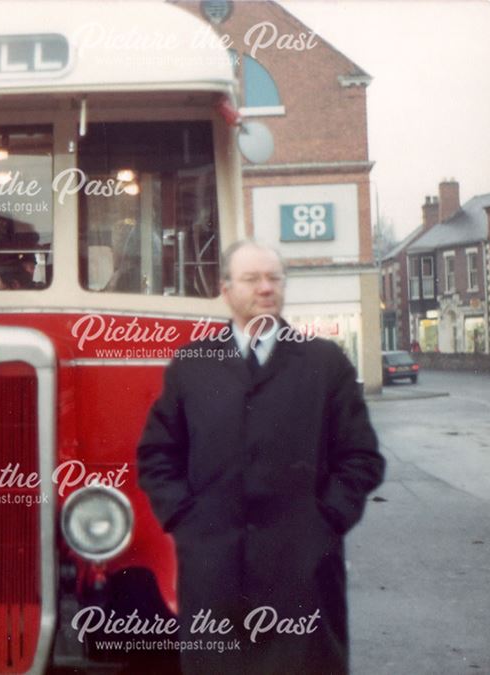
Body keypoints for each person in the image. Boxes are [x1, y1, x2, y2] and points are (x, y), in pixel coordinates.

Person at [136, 239, 385, 675]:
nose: (265, 288)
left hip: (303, 575)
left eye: (274, 278)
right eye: (252, 279)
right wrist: (186, 522)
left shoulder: (326, 363)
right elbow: (158, 455)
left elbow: (361, 457)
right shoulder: (192, 366)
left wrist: (325, 521)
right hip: (213, 574)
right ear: (226, 289)